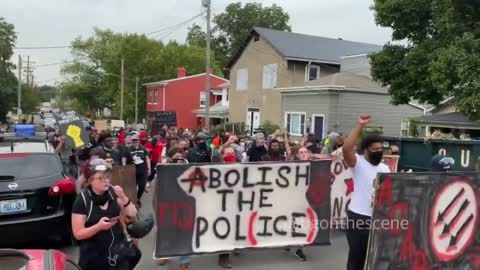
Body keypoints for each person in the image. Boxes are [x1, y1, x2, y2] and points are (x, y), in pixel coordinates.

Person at [71, 158, 140, 270]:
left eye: (108, 177)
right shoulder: (82, 201)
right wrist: (98, 227)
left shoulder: (113, 193)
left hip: (118, 252)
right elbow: (78, 233)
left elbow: (132, 213)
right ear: (90, 180)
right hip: (94, 257)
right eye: (101, 178)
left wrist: (123, 197)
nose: (106, 180)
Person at [342, 114, 390, 270]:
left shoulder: (385, 168)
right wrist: (360, 125)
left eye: (381, 149)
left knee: (374, 257)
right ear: (366, 150)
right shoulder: (358, 163)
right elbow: (346, 148)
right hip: (358, 217)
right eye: (375, 149)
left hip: (377, 218)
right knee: (357, 257)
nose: (379, 151)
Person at [154, 147, 191, 270]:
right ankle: (165, 254)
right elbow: (158, 180)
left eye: (180, 155)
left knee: (185, 232)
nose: (178, 157)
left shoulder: (187, 164)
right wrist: (167, 164)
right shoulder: (163, 165)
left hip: (184, 202)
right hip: (166, 203)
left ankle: (184, 261)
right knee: (166, 230)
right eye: (176, 155)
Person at [126, 134, 151, 207]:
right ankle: (133, 201)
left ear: (138, 140)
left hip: (142, 170)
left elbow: (147, 158)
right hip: (132, 171)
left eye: (136, 140)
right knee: (133, 187)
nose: (135, 141)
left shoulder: (143, 148)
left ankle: (138, 198)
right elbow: (124, 158)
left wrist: (149, 168)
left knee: (142, 186)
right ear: (131, 141)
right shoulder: (128, 149)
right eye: (133, 140)